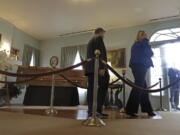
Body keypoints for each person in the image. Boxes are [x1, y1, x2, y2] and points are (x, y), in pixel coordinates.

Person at [125, 31, 156, 117]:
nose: (146, 36)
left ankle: (148, 110)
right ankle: (129, 110)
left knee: (143, 87)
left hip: (136, 66)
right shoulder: (144, 42)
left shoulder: (135, 44)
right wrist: (146, 40)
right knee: (138, 87)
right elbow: (150, 53)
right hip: (140, 66)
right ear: (142, 36)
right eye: (144, 35)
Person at [85, 28, 110, 118]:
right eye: (104, 34)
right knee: (100, 89)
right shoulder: (98, 39)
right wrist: (102, 67)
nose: (104, 36)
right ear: (101, 33)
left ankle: (92, 111)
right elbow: (100, 53)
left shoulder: (91, 41)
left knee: (92, 90)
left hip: (92, 69)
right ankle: (96, 111)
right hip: (97, 68)